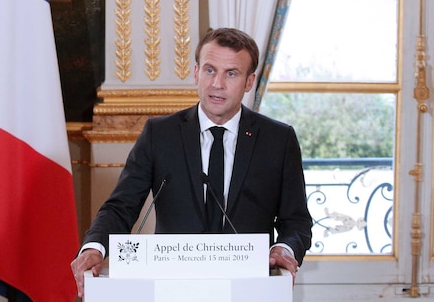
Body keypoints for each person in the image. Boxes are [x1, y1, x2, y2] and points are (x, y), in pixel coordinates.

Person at [71, 27, 312, 296]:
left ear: (249, 82)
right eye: (209, 70)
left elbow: (297, 220)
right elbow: (120, 208)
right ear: (196, 73)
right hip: (170, 287)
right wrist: (94, 247)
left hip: (248, 287)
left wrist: (284, 249)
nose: (217, 84)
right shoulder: (160, 134)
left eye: (231, 73)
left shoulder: (278, 139)